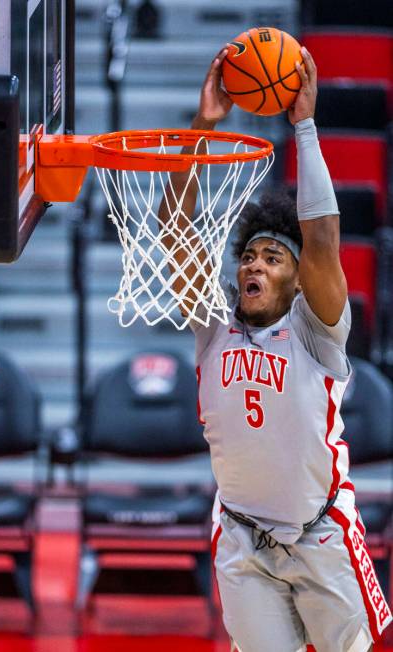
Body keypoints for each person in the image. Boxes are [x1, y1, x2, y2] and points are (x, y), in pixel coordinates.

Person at [158, 46, 392, 652]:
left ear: (297, 279)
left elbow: (322, 236)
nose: (254, 265)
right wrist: (204, 125)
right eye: (249, 255)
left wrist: (305, 128)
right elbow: (173, 229)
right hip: (242, 540)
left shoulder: (316, 332)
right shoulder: (214, 326)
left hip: (322, 537)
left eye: (273, 257)